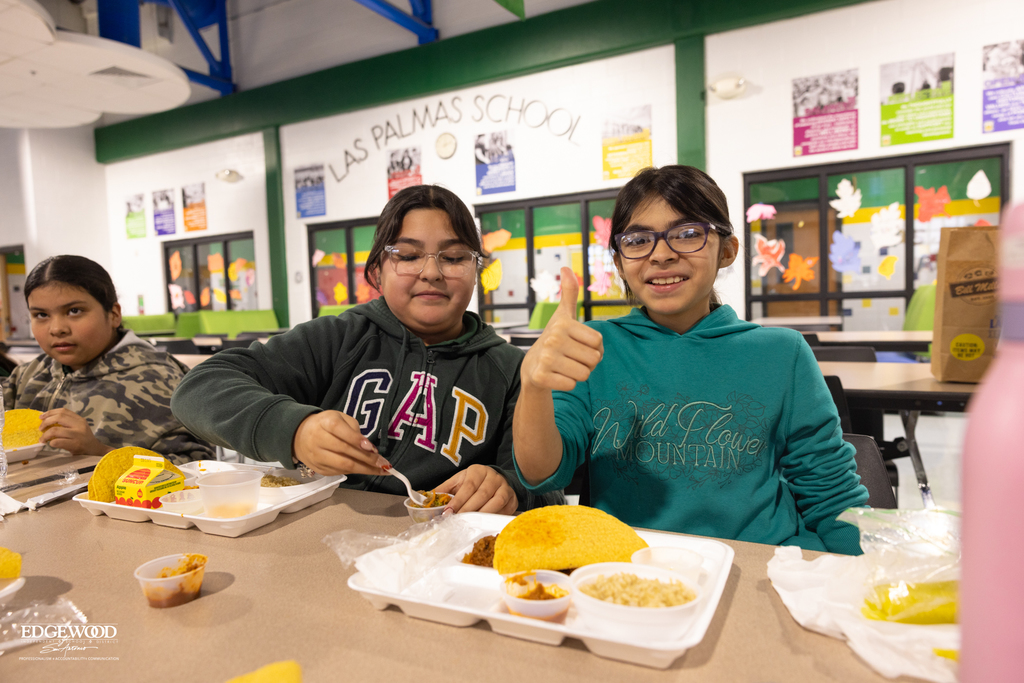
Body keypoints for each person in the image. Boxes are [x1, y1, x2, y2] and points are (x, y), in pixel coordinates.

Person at [512, 165, 868, 554]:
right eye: (637, 239)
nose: (661, 255)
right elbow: (542, 472)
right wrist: (532, 386)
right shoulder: (592, 347)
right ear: (619, 261)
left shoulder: (783, 354)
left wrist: (858, 578)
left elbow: (832, 495)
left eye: (687, 234)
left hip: (756, 569)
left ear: (727, 250)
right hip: (627, 570)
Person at [172, 185, 562, 514]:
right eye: (408, 256)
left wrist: (510, 487)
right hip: (322, 541)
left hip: (445, 559)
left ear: (477, 270)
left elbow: (549, 490)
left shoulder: (512, 371)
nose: (431, 272)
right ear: (377, 271)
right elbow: (199, 388)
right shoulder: (338, 339)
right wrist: (294, 429)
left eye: (455, 257)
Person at [1, 255, 213, 464]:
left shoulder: (162, 380)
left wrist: (99, 451)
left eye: (74, 311)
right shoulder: (28, 375)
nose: (57, 329)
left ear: (113, 314)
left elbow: (197, 467)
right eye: (41, 315)